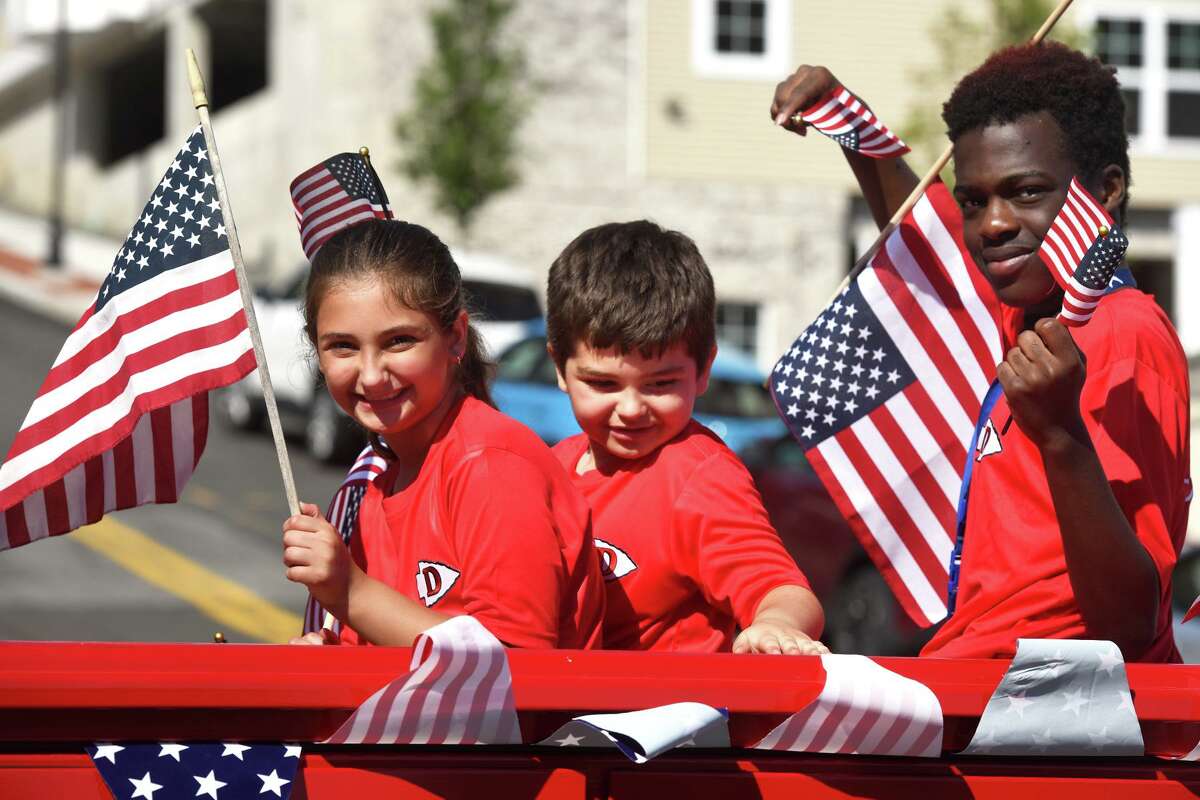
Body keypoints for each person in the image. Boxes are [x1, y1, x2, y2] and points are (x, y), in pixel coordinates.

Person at [770, 43, 1190, 662]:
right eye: (975, 200)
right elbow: (928, 242)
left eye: (1024, 192)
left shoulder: (1126, 335)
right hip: (970, 674)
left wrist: (1060, 433)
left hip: (1046, 712)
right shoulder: (1021, 315)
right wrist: (851, 124)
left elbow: (1130, 621)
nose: (992, 223)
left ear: (1105, 192)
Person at [282, 219, 605, 649]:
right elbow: (400, 643)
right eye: (342, 346)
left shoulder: (490, 463)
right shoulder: (380, 480)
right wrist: (337, 657)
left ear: (454, 337)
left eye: (399, 341)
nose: (373, 374)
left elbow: (516, 662)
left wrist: (349, 592)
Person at [545, 220, 828, 654]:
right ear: (559, 367)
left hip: (656, 716)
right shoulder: (552, 466)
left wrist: (775, 627)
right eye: (603, 384)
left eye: (661, 384)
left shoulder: (699, 476)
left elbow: (781, 589)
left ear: (704, 369)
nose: (632, 408)